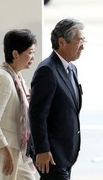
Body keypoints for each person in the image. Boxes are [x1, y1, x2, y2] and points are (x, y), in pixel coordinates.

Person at [29, 18, 85, 180]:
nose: (83, 46)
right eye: (79, 41)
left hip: (66, 153)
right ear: (62, 42)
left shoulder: (71, 69)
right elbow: (37, 114)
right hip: (51, 156)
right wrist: (42, 150)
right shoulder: (47, 71)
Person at [0, 29, 37, 180]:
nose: (33, 57)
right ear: (15, 54)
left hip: (16, 147)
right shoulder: (3, 79)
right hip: (0, 148)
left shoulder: (16, 76)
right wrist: (6, 152)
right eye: (30, 52)